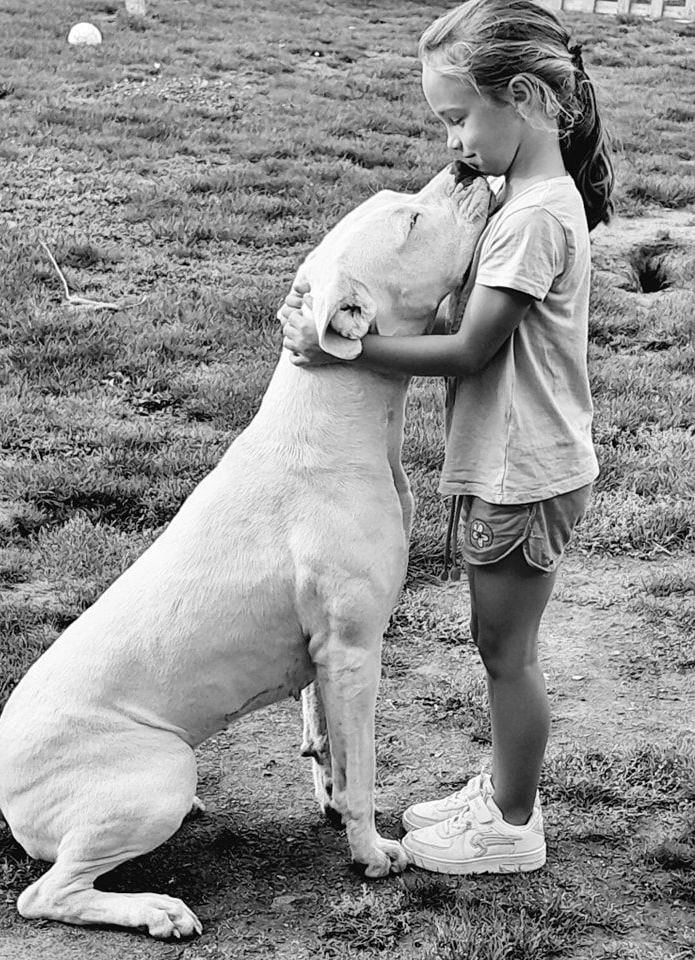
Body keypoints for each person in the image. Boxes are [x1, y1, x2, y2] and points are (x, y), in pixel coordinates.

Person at [278, 0, 614, 875]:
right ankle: (502, 789)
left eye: (461, 119)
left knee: (507, 654)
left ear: (528, 97)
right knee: (499, 647)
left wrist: (344, 344)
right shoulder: (525, 198)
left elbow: (470, 347)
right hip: (510, 462)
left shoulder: (537, 215)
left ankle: (511, 823)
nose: (455, 143)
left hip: (523, 471)